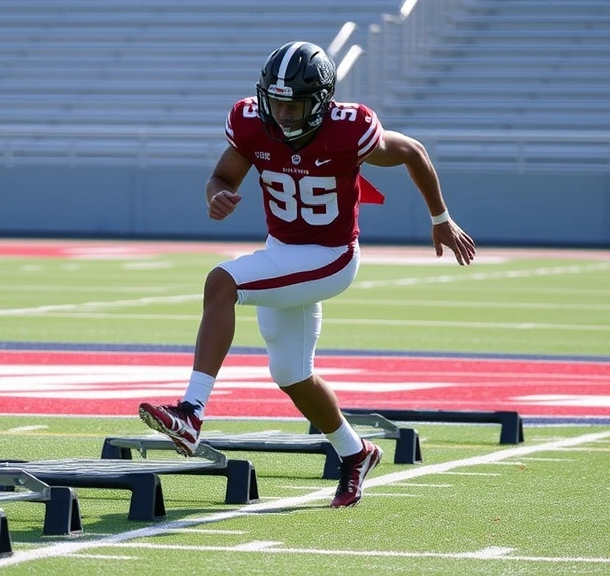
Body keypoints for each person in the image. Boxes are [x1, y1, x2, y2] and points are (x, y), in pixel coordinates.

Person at [138, 41, 475, 508]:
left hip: (330, 257)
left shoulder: (349, 129)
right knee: (292, 374)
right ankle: (355, 453)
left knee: (223, 281)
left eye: (294, 104)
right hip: (284, 252)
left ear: (321, 100)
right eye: (276, 102)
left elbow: (412, 151)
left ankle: (191, 411)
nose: (284, 114)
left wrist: (440, 218)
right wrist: (215, 195)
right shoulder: (252, 123)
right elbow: (223, 176)